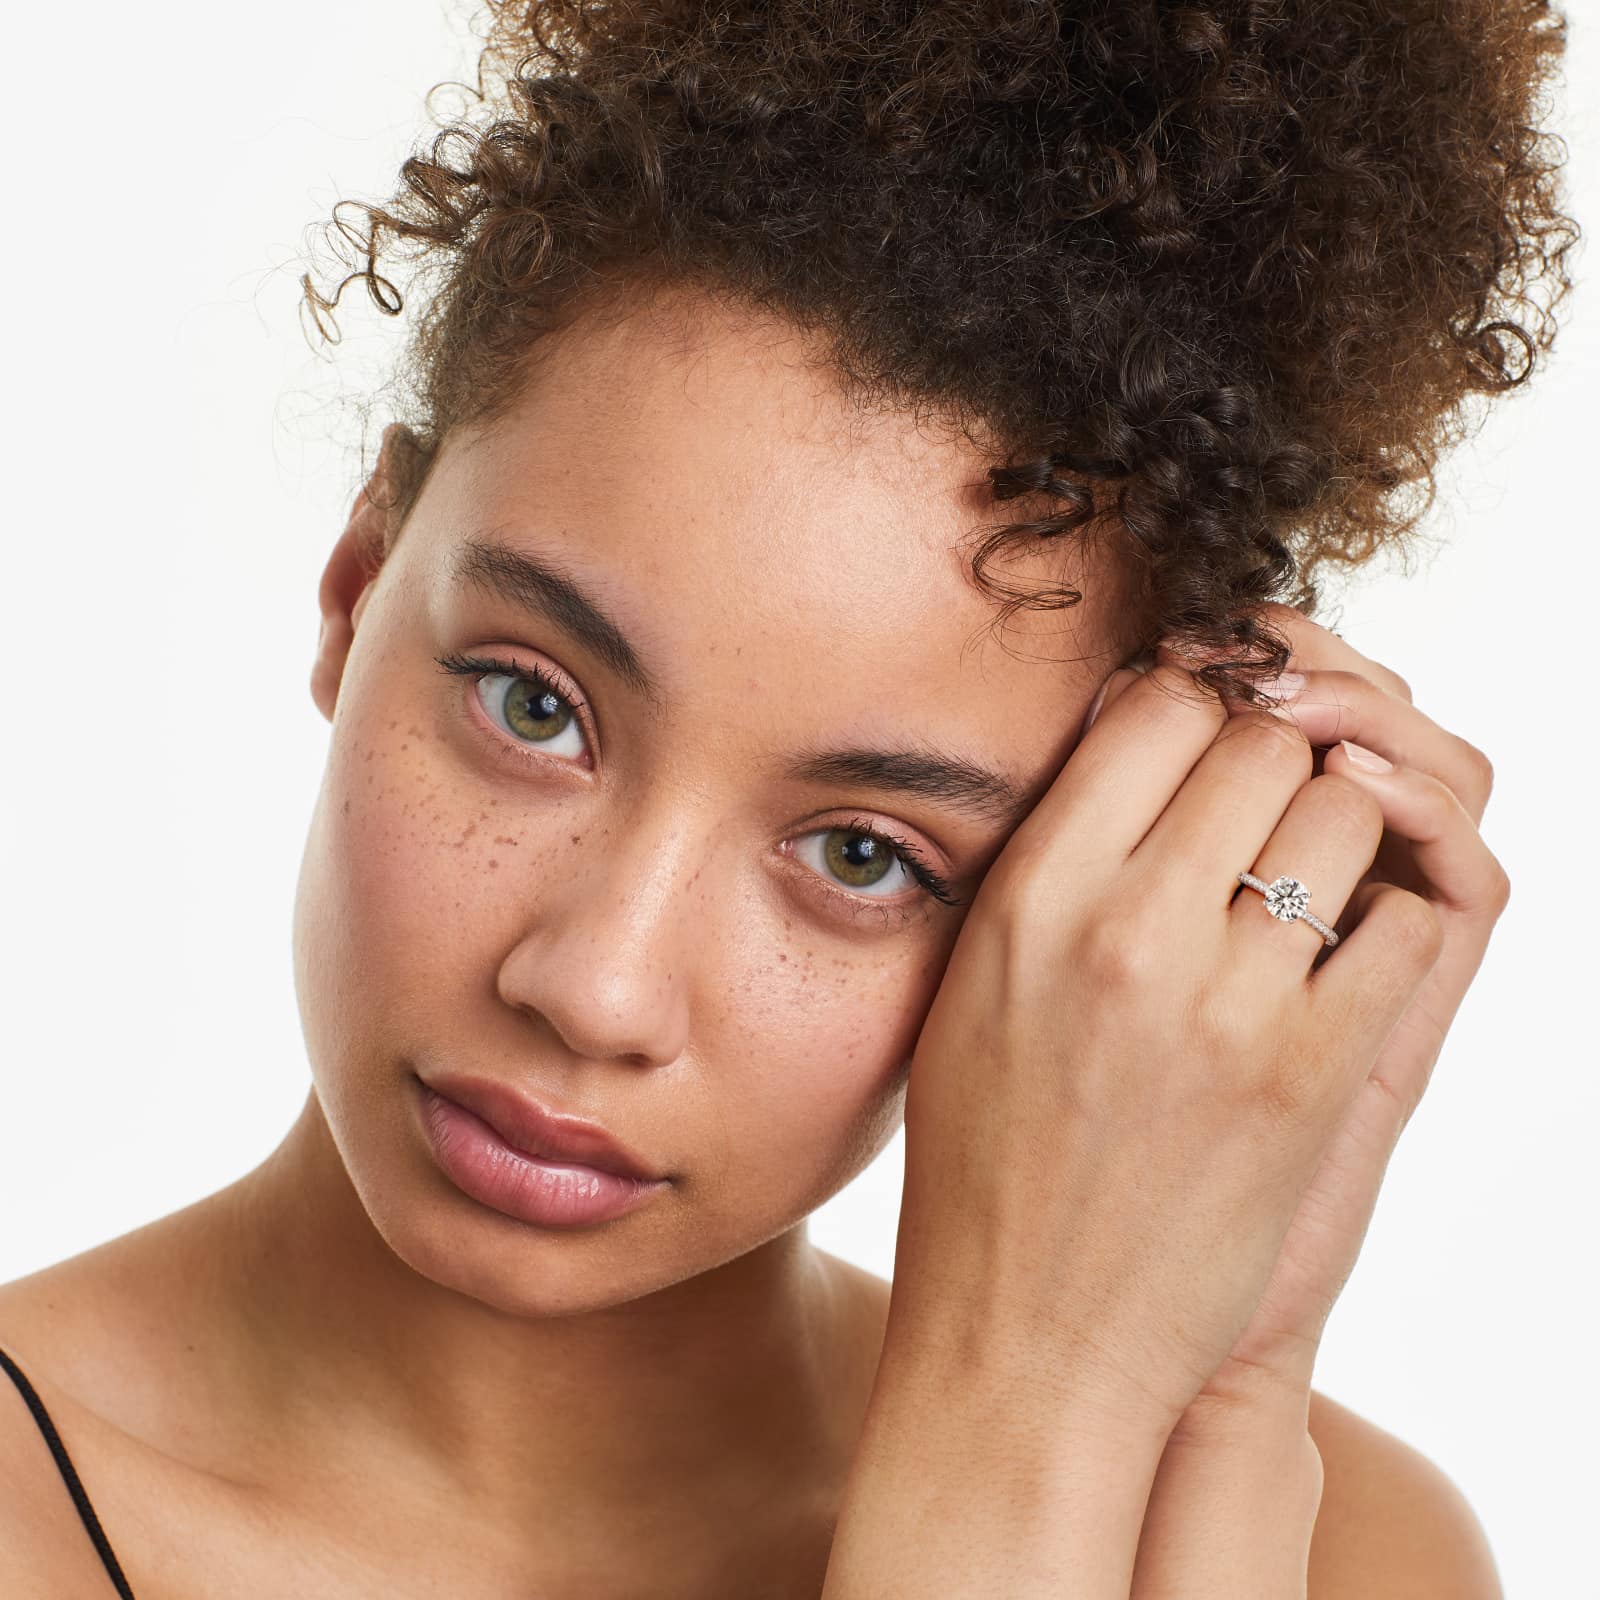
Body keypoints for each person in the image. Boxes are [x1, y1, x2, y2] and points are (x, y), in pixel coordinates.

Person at [0, 1, 1578, 1594]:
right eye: (533, 705)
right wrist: (1018, 1431)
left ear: (1096, 889)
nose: (596, 989)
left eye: (861, 853)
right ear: (355, 591)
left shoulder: (1343, 1550)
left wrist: (1197, 1394)